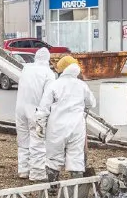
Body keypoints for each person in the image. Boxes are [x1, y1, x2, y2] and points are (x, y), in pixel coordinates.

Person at [35, 61, 96, 182]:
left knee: (53, 157)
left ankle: (52, 186)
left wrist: (40, 125)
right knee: (76, 157)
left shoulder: (54, 85)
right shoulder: (82, 85)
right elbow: (91, 103)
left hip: (56, 128)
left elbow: (43, 109)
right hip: (77, 128)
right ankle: (76, 188)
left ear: (62, 70)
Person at [15, 48, 55, 180]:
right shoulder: (48, 73)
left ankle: (23, 170)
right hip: (35, 111)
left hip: (20, 108)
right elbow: (48, 97)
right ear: (47, 59)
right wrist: (43, 114)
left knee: (23, 140)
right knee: (37, 142)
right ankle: (37, 174)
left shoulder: (27, 69)